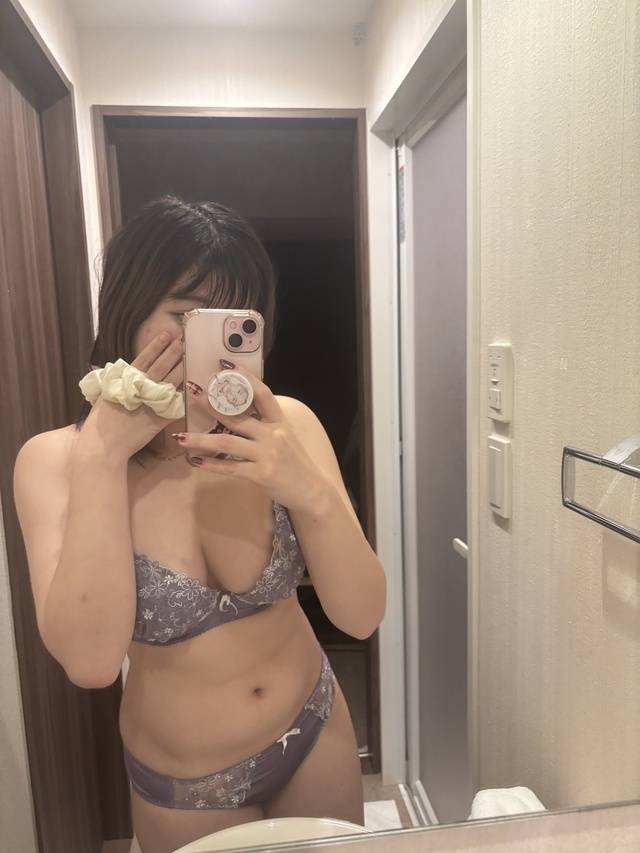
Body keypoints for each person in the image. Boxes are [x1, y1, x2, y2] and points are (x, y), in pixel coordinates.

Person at [13, 195, 386, 853]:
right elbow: (91, 663)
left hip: (313, 730)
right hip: (186, 786)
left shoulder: (289, 427)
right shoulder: (55, 460)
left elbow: (362, 616)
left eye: (234, 321)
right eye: (187, 316)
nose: (209, 344)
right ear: (127, 311)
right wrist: (103, 457)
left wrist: (308, 493)